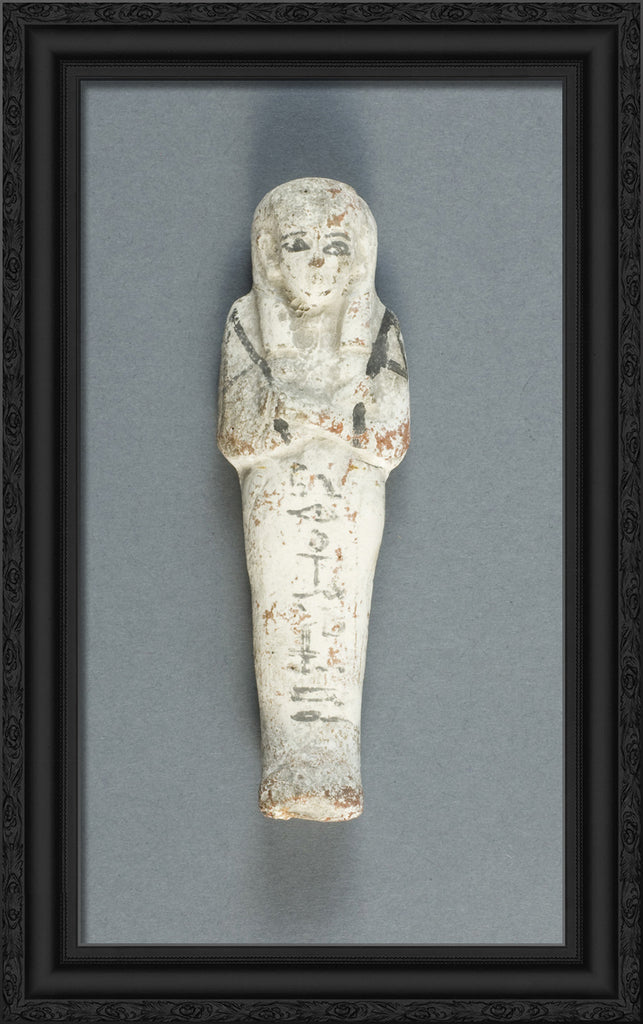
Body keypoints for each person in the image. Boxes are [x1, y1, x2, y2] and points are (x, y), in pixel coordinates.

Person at [218, 178, 409, 820]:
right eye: (298, 244)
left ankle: (337, 764)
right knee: (286, 617)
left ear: (358, 259)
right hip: (276, 497)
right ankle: (287, 763)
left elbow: (391, 438)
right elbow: (238, 435)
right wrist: (330, 416)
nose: (318, 261)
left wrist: (303, 417)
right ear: (271, 257)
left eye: (336, 246)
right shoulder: (247, 320)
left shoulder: (378, 325)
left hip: (351, 496)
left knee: (339, 619)